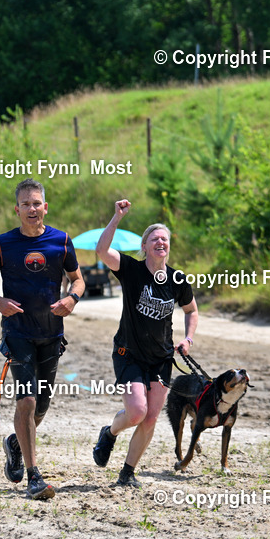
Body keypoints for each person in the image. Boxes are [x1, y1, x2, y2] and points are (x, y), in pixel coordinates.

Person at [0, 178, 85, 500]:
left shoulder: (62, 242)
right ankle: (34, 476)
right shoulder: (2, 244)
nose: (32, 209)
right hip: (17, 333)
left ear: (45, 207)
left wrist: (72, 299)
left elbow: (77, 280)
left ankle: (15, 443)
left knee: (42, 406)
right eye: (26, 204)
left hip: (51, 334)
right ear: (17, 209)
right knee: (27, 401)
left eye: (37, 203)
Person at [92, 199, 198, 488]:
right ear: (145, 246)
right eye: (154, 238)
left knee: (150, 418)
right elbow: (101, 251)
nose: (160, 242)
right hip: (128, 354)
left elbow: (191, 311)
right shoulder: (131, 270)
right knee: (136, 412)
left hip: (161, 357)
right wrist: (116, 217)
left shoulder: (177, 279)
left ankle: (127, 473)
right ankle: (110, 433)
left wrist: (187, 339)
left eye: (164, 238)